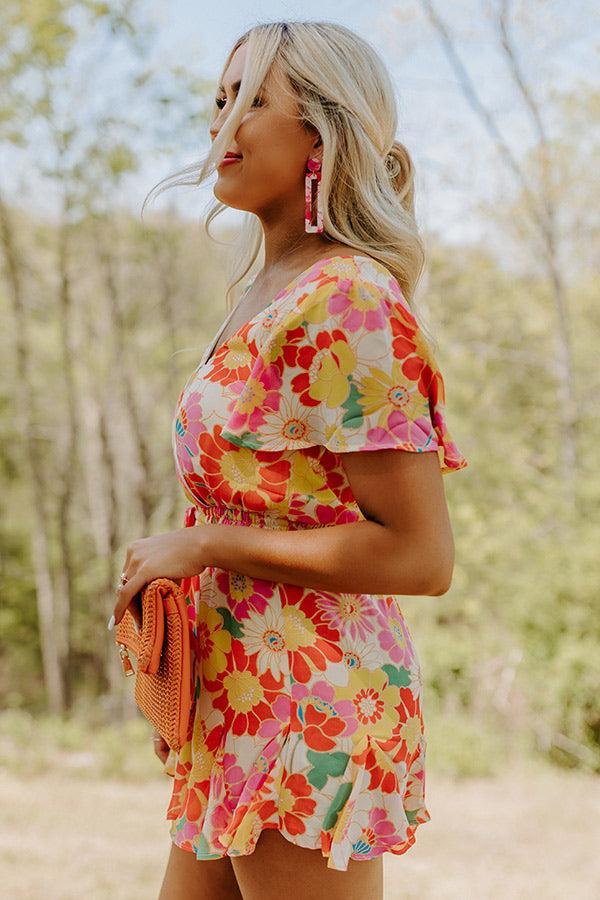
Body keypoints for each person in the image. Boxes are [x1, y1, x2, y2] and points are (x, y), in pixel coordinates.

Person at [112, 20, 468, 900]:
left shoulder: (347, 299)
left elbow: (420, 557)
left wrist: (200, 550)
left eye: (252, 99)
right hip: (235, 694)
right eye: (221, 97)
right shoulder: (264, 295)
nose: (221, 123)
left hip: (308, 702)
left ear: (321, 132)